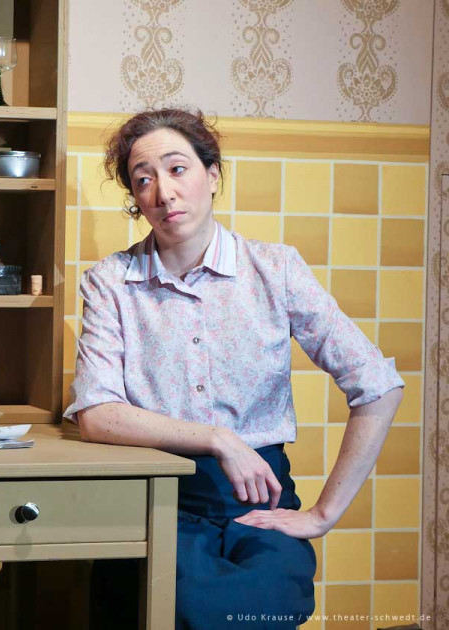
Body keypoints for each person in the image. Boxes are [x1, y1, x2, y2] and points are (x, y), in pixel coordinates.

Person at [65, 108, 403, 629]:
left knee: (261, 609)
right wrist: (218, 439)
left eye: (178, 169)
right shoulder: (111, 282)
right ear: (135, 197)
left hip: (262, 506)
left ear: (213, 175)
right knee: (180, 608)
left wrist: (323, 514)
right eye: (143, 179)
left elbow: (378, 385)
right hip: (157, 503)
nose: (163, 192)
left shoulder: (276, 269)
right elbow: (97, 415)